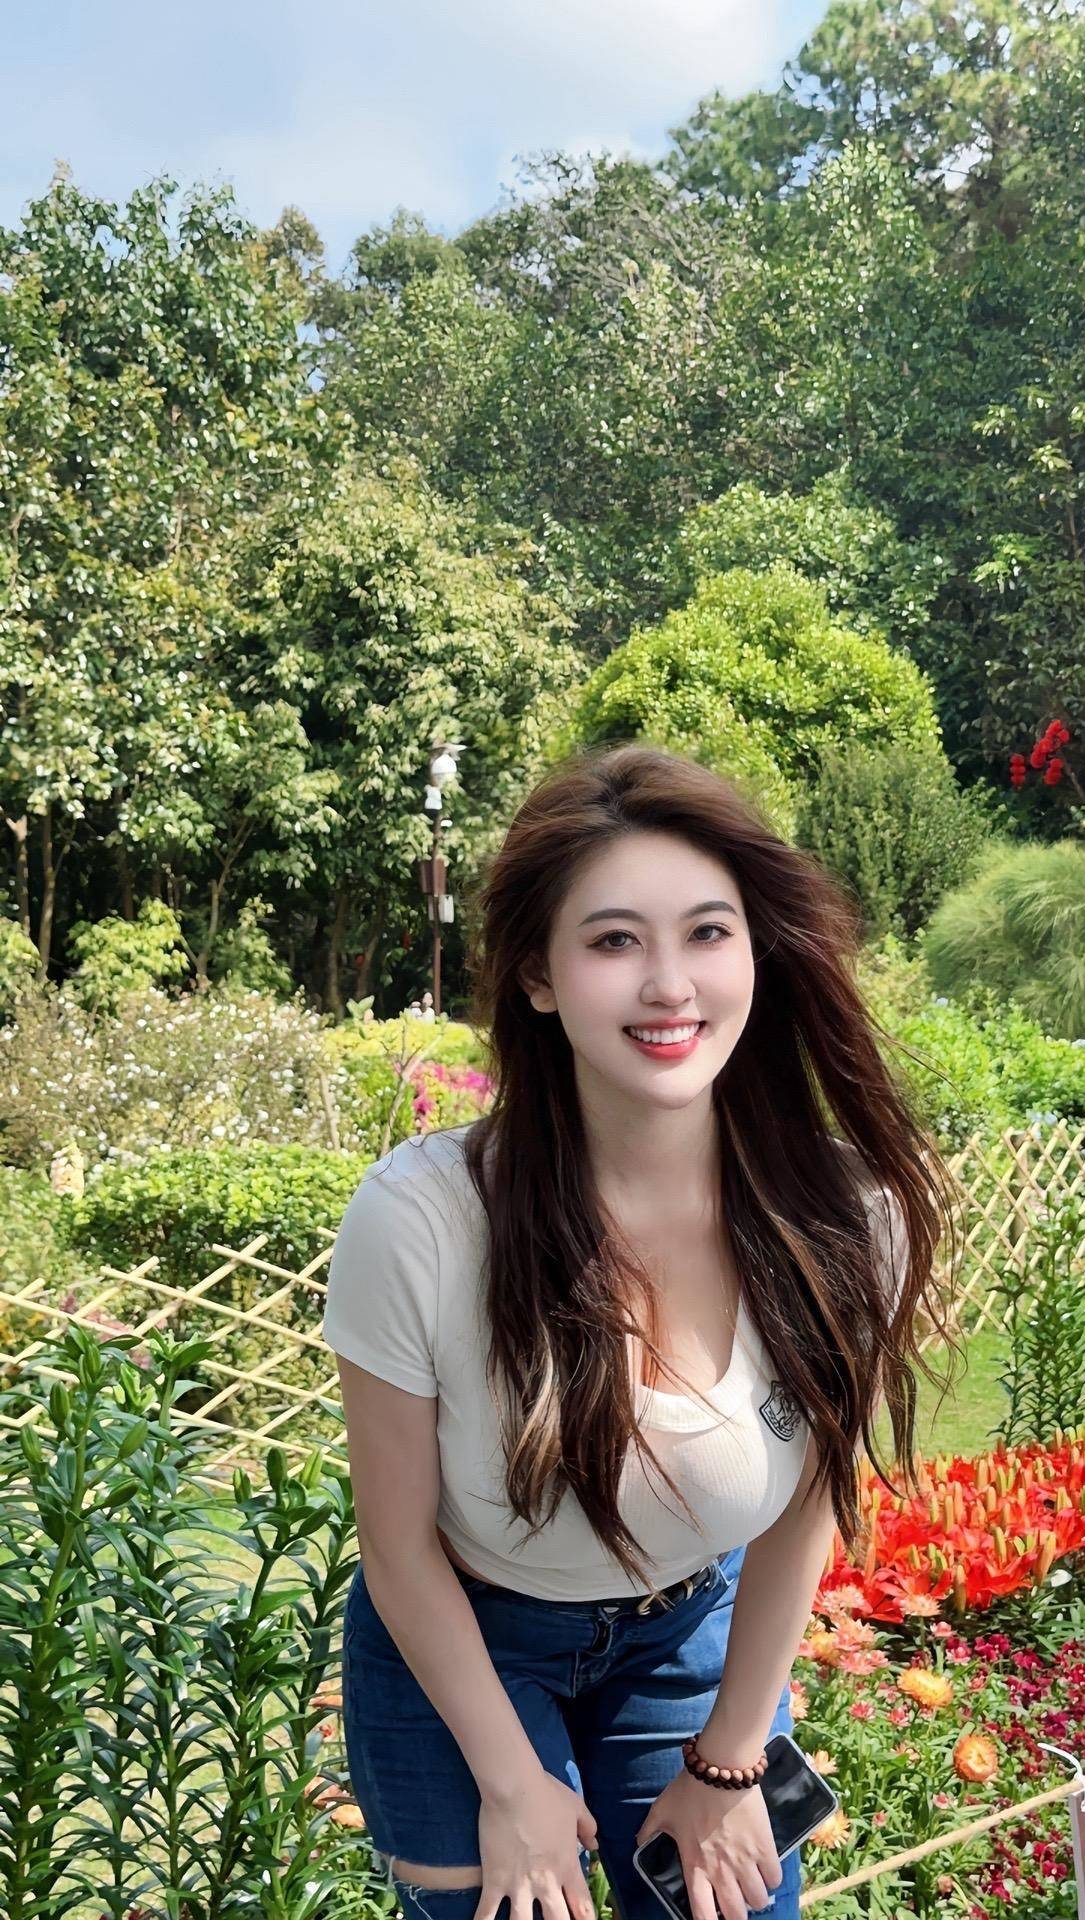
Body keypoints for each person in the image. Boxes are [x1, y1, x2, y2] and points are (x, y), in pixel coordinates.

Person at [322, 744, 953, 1920]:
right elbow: (397, 1548)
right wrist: (510, 1785)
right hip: (462, 1639)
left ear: (756, 951)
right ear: (538, 975)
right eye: (614, 941)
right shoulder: (422, 1220)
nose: (670, 985)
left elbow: (807, 1501)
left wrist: (732, 1763)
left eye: (707, 933)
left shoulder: (844, 1217)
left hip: (690, 1625)